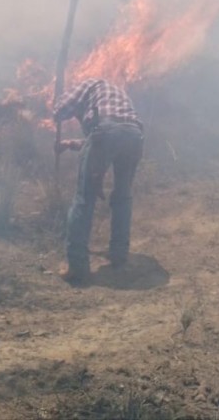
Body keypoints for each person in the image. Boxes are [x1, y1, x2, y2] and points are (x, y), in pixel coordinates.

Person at [53, 78, 145, 285]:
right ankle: (119, 255)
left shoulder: (88, 84)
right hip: (135, 136)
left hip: (105, 134)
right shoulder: (117, 92)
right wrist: (68, 144)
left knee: (84, 198)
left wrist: (56, 104)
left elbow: (60, 111)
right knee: (123, 196)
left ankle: (77, 267)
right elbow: (111, 134)